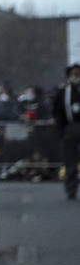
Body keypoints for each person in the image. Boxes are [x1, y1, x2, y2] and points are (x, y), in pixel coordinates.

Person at [52, 64, 80, 201]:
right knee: (71, 162)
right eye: (74, 74)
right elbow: (57, 113)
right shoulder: (63, 92)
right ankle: (71, 190)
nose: (76, 77)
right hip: (70, 127)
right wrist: (61, 131)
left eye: (78, 74)